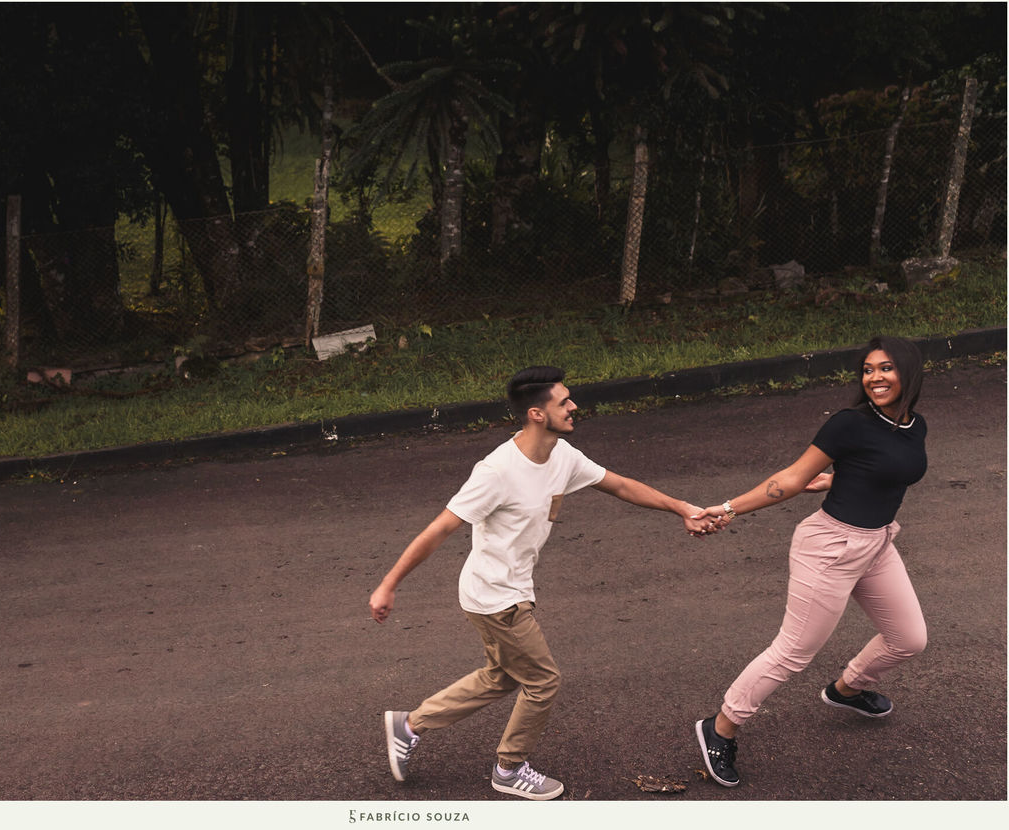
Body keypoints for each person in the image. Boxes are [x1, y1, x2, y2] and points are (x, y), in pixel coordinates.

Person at [368, 365, 719, 800]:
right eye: (564, 402)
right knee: (543, 681)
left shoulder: (562, 455)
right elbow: (440, 528)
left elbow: (621, 485)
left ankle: (408, 725)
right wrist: (389, 584)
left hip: (505, 590)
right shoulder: (496, 470)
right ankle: (509, 769)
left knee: (502, 677)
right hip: (496, 597)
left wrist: (682, 507)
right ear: (536, 413)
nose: (574, 407)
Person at [692, 335, 929, 787]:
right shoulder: (848, 424)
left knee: (909, 638)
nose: (875, 377)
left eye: (886, 368)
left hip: (878, 544)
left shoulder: (914, 425)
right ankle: (720, 727)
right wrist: (727, 509)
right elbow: (791, 478)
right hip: (830, 548)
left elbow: (888, 468)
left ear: (908, 372)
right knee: (793, 653)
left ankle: (846, 689)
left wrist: (842, 476)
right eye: (868, 370)